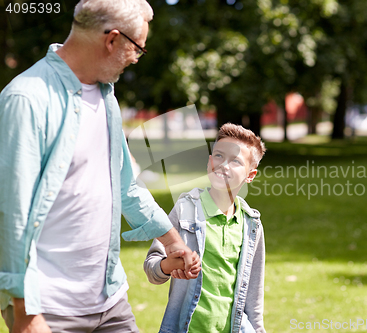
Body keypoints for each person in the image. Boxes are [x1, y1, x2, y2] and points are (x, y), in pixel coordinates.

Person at [0, 0, 200, 332]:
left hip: (109, 301)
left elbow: (125, 184)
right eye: (137, 48)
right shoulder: (27, 100)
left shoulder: (105, 96)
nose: (137, 57)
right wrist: (26, 313)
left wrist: (172, 242)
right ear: (112, 40)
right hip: (49, 310)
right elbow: (11, 214)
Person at [144, 123, 267, 333]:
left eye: (235, 161)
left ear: (250, 175)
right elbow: (152, 268)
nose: (224, 165)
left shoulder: (251, 224)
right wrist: (168, 266)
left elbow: (254, 296)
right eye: (219, 156)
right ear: (209, 162)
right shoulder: (184, 210)